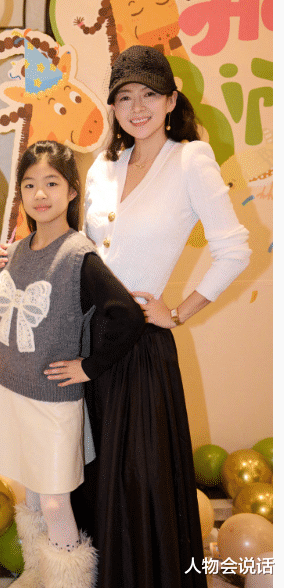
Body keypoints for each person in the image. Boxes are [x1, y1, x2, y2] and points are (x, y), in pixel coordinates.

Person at [72, 45, 250, 588]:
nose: (138, 107)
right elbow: (83, 252)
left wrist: (177, 311)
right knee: (95, 479)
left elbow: (234, 248)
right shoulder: (103, 167)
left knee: (140, 482)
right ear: (113, 107)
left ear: (172, 100)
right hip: (89, 345)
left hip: (141, 348)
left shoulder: (190, 159)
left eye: (150, 94)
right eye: (125, 96)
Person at [0, 139, 145, 588]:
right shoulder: (18, 249)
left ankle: (70, 580)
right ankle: (40, 572)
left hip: (53, 401)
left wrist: (87, 367)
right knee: (32, 494)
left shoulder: (77, 254)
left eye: (51, 183)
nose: (40, 194)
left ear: (72, 190)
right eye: (30, 184)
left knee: (54, 502)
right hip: (13, 390)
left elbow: (127, 316)